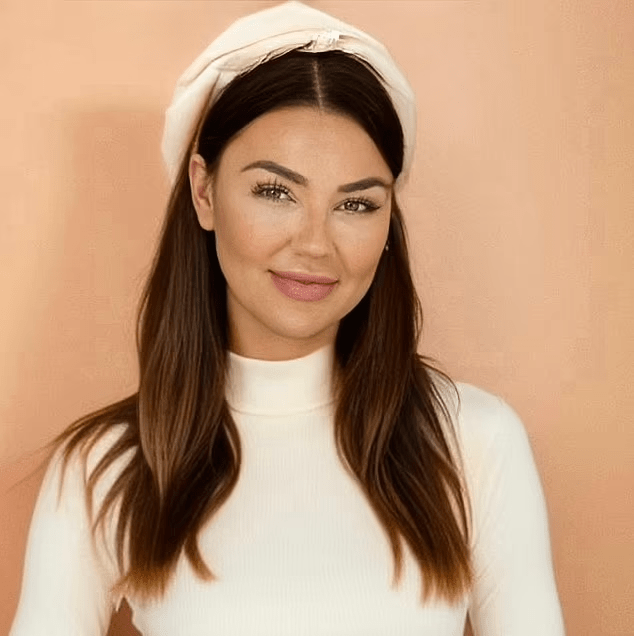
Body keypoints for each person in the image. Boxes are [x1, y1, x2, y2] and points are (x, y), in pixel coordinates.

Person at [9, 2, 566, 635]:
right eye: (276, 191)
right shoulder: (106, 467)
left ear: (388, 224)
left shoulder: (472, 442)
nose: (315, 244)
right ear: (204, 190)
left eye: (356, 203)